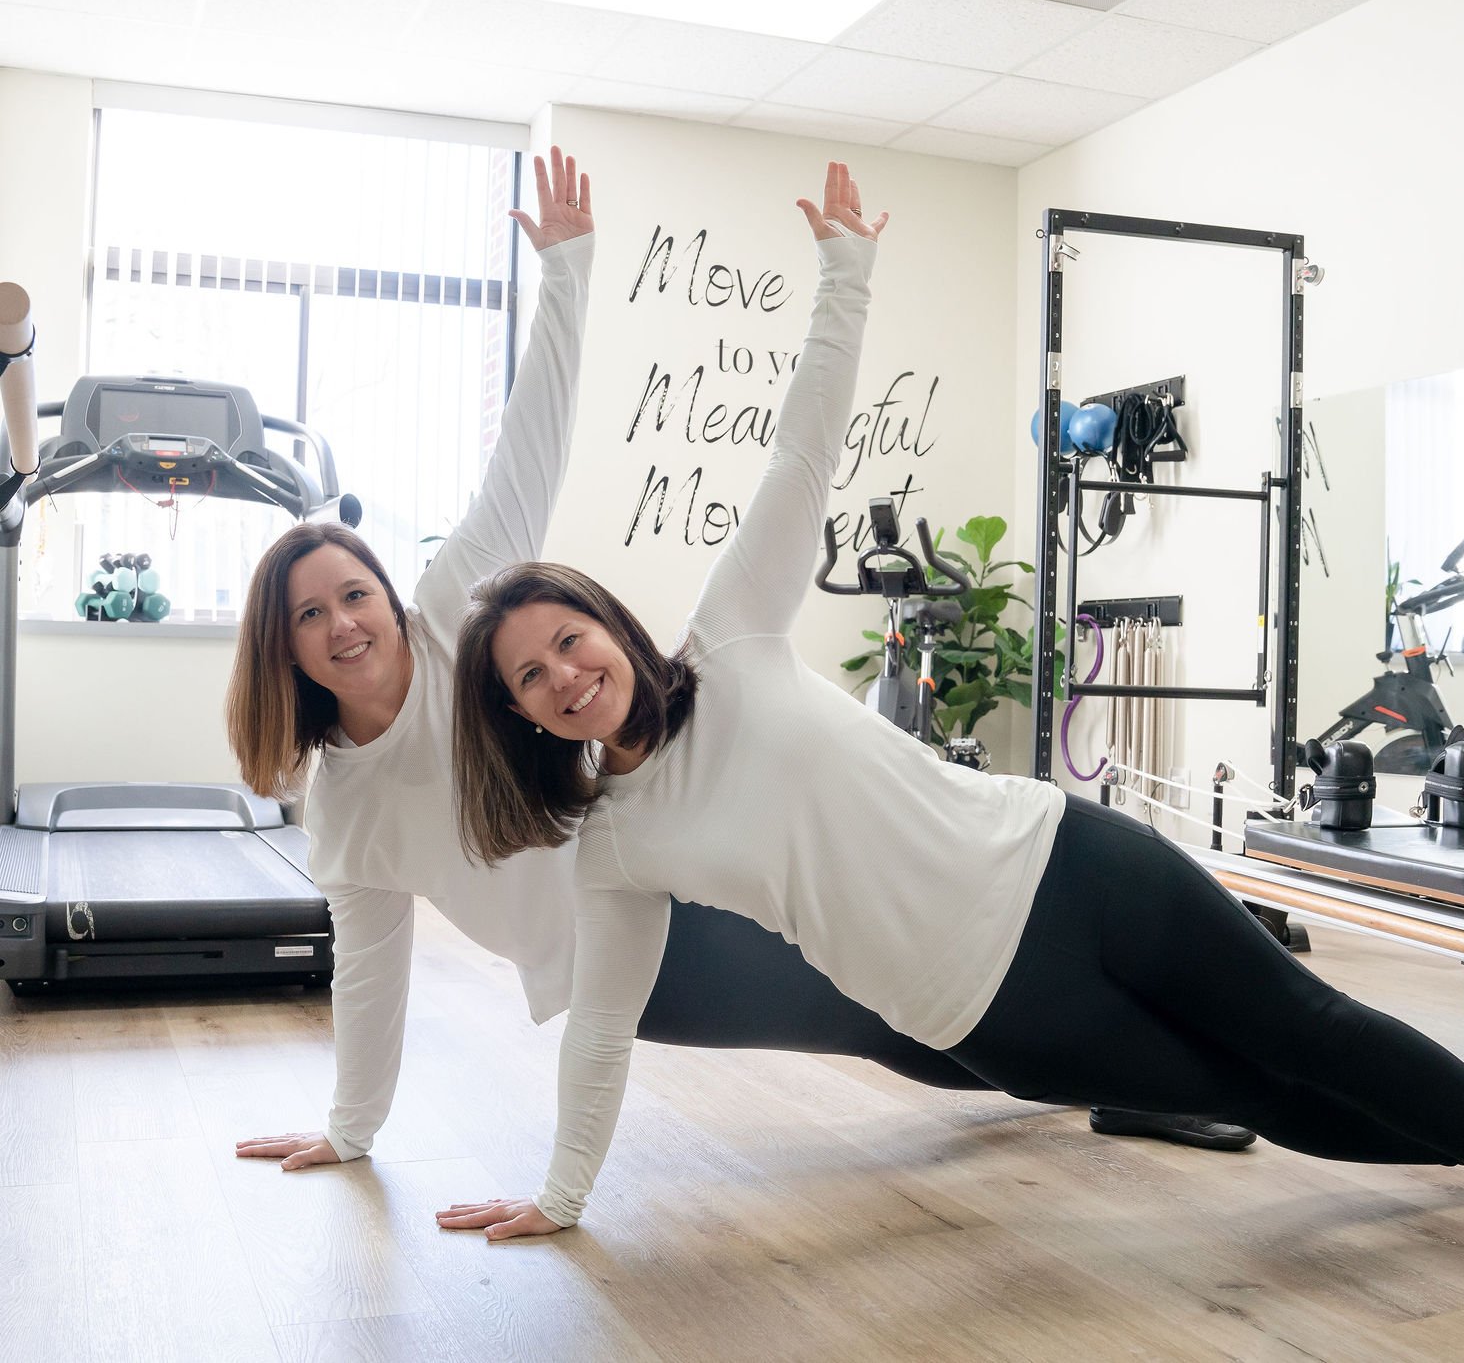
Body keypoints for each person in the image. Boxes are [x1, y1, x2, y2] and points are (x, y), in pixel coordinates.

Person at [446, 163, 1464, 1292]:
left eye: (568, 637)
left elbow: (802, 450)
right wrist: (560, 1199)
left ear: (606, 623)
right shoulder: (612, 846)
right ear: (514, 715)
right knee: (1258, 1092)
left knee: (1309, 1027)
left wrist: (848, 271)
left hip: (1065, 857)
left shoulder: (730, 638)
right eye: (528, 676)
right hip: (988, 1005)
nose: (563, 673)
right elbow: (602, 1029)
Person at [225, 149, 1239, 1205]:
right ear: (282, 650)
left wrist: (567, 272)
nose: (344, 622)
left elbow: (527, 448)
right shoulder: (341, 806)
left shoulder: (452, 621)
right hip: (643, 957)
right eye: (309, 614)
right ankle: (1120, 1074)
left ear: (389, 595)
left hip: (690, 845)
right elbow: (371, 969)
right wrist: (351, 1130)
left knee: (910, 995)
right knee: (884, 1023)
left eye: (354, 592)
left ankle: (1147, 1060)